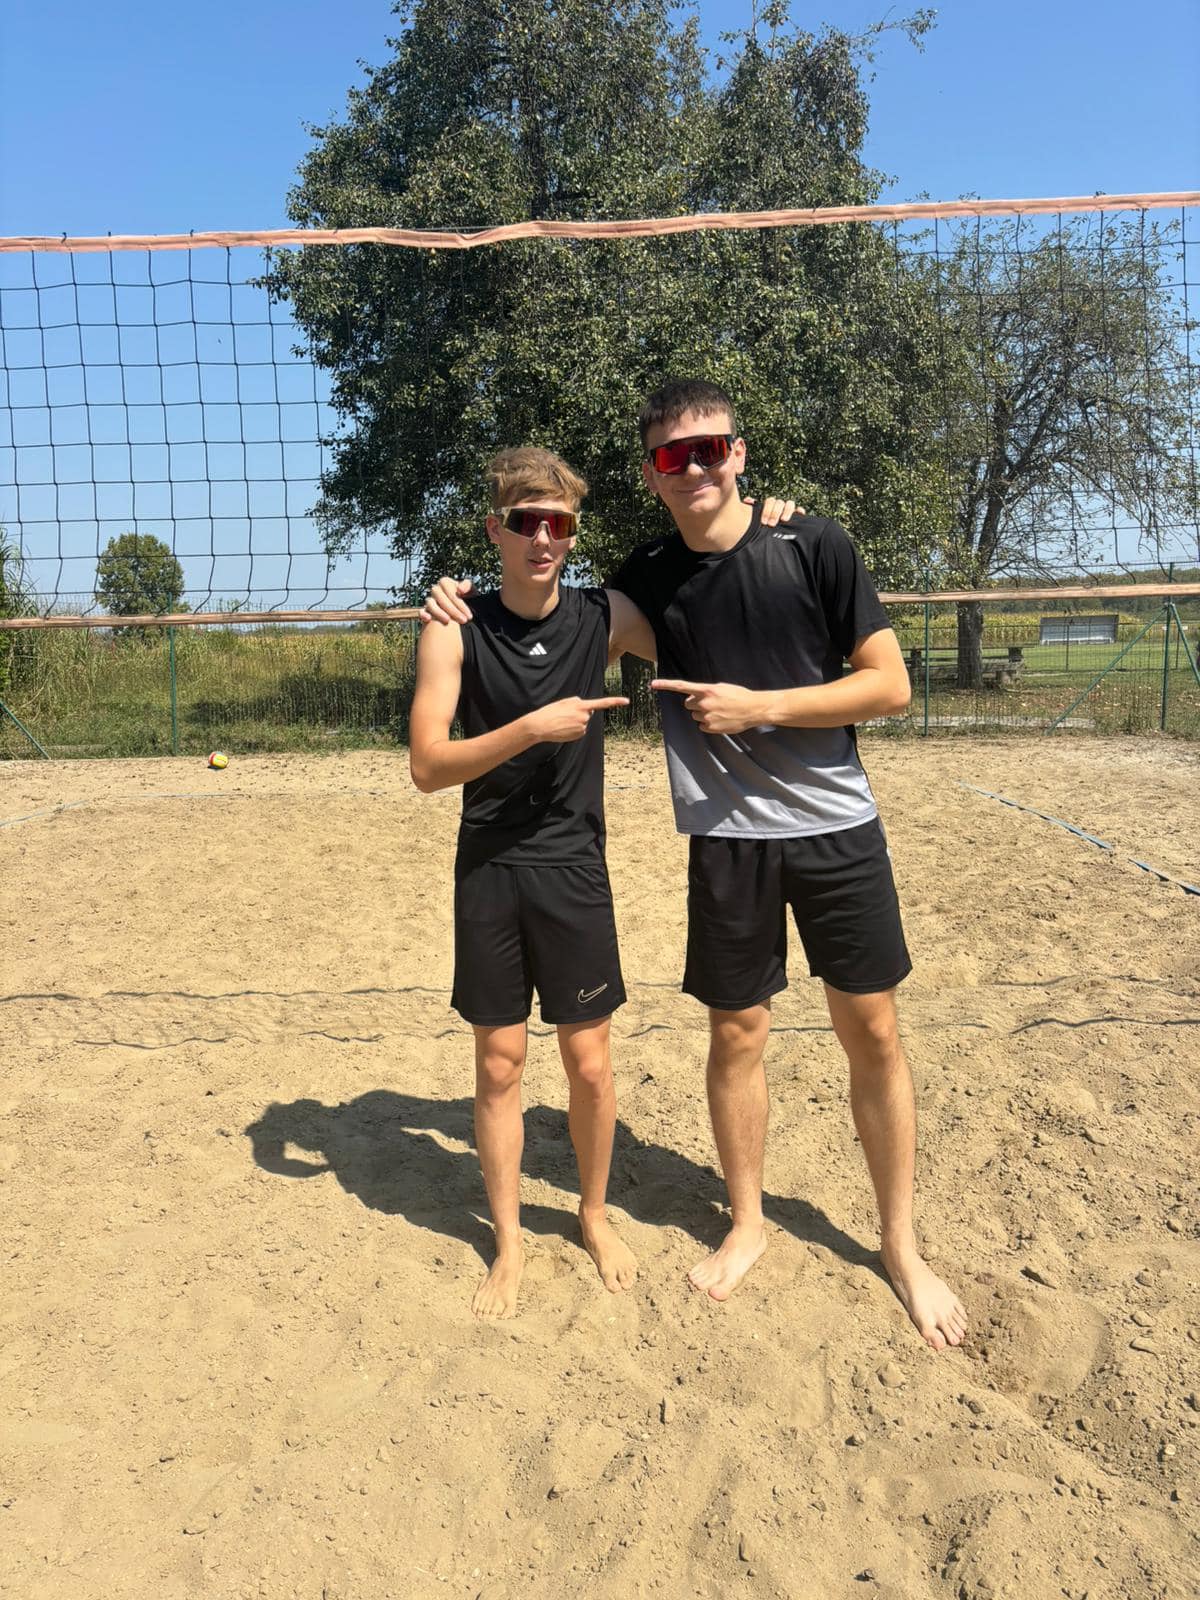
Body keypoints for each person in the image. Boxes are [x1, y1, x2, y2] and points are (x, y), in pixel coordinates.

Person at [422, 383, 967, 1353]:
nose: (698, 466)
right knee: (736, 1033)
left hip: (838, 825)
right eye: (675, 457)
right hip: (725, 838)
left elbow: (889, 685)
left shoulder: (816, 543)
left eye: (711, 448)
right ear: (652, 476)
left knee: (873, 1031)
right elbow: (544, 612)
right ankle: (747, 1222)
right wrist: (453, 595)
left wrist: (763, 706)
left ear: (741, 453)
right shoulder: (646, 581)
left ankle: (901, 1245)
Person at [408, 446, 654, 1319]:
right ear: (496, 529)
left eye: (560, 523)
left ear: (573, 532)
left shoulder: (605, 614)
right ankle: (509, 1240)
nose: (543, 538)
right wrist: (529, 729)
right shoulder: (454, 625)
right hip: (491, 866)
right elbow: (428, 767)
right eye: (526, 522)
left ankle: (591, 1214)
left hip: (574, 865)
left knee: (589, 1066)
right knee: (500, 1064)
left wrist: (774, 525)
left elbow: (711, 597)